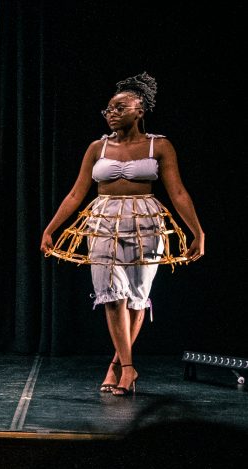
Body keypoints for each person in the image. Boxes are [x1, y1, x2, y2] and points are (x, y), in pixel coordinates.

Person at [41, 73, 204, 395]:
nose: (112, 114)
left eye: (120, 108)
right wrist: (50, 229)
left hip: (146, 223)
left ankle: (117, 364)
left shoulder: (159, 145)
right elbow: (75, 194)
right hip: (104, 220)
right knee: (111, 294)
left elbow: (178, 192)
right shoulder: (97, 147)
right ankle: (129, 368)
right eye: (108, 109)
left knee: (137, 297)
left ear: (140, 110)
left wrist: (197, 231)